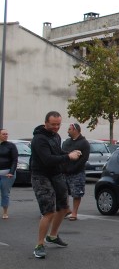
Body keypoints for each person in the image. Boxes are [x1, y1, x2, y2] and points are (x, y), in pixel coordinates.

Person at [31, 111, 83, 259]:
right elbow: (47, 159)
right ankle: (39, 245)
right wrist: (68, 156)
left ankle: (52, 236)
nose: (56, 127)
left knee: (64, 208)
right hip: (41, 176)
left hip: (56, 175)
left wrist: (69, 152)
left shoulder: (56, 136)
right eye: (53, 124)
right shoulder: (39, 139)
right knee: (48, 212)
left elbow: (57, 152)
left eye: (58, 124)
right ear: (46, 122)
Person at [62, 123, 90, 220]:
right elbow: (62, 155)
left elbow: (84, 159)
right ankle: (66, 209)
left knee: (76, 193)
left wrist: (73, 168)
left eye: (69, 129)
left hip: (77, 172)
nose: (67, 131)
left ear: (75, 130)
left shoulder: (84, 143)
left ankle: (74, 213)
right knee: (63, 191)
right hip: (64, 172)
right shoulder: (66, 142)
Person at [0, 129, 18, 219]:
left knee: (5, 193)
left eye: (7, 134)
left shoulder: (11, 146)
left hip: (7, 173)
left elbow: (15, 160)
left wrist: (11, 172)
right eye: (3, 134)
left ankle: (5, 212)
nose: (6, 135)